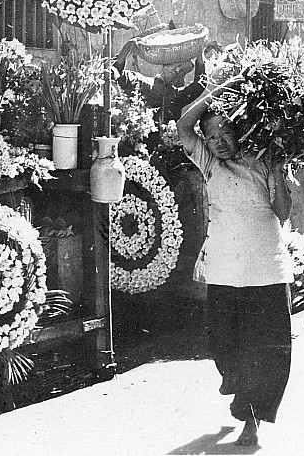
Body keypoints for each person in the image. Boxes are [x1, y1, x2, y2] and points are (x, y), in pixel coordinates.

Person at [176, 79, 293, 447]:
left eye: (227, 130)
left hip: (266, 269)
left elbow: (283, 214)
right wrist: (221, 89)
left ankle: (251, 418)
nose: (220, 141)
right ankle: (239, 390)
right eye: (211, 136)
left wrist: (277, 171)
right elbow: (183, 124)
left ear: (239, 129)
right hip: (225, 269)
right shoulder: (209, 163)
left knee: (269, 349)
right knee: (223, 344)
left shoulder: (262, 159)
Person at [114, 40, 206, 126]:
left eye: (182, 70)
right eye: (176, 65)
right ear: (165, 66)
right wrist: (126, 49)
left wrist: (199, 52)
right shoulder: (142, 82)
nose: (177, 70)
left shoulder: (178, 96)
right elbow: (117, 74)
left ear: (181, 79)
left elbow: (200, 84)